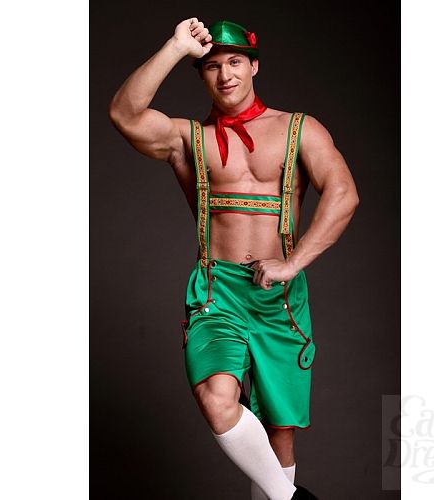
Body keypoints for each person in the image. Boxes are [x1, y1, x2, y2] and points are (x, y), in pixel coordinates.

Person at [109, 17, 359, 500]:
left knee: (279, 431)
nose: (225, 75)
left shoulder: (298, 129)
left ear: (254, 66)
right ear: (201, 74)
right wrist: (176, 46)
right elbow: (124, 113)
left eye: (235, 62)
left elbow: (343, 194)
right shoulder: (188, 138)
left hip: (279, 298)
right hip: (216, 292)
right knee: (217, 399)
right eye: (212, 66)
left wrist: (293, 263)